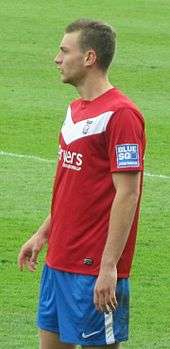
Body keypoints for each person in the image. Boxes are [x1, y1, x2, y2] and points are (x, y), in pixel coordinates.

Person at [18, 19, 146, 349]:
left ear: (89, 58)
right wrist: (44, 232)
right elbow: (74, 186)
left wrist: (109, 268)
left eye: (64, 51)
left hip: (92, 269)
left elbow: (128, 193)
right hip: (58, 260)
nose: (57, 59)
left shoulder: (122, 115)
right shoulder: (74, 110)